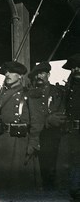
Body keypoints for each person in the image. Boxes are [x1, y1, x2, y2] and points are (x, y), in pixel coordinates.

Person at [0, 61, 40, 191]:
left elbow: (36, 122)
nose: (7, 74)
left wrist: (33, 143)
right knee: (2, 184)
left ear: (20, 76)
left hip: (20, 142)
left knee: (20, 184)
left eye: (11, 72)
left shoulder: (28, 94)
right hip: (3, 142)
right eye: (6, 72)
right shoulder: (1, 95)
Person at [27, 62, 66, 191]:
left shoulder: (57, 92)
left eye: (42, 73)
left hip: (52, 137)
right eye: (37, 74)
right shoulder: (30, 94)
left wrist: (49, 121)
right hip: (35, 136)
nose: (39, 76)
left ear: (48, 74)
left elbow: (60, 113)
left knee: (52, 171)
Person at [59, 54, 80, 200]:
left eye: (79, 66)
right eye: (73, 67)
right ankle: (75, 190)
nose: (76, 69)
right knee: (75, 160)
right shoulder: (70, 86)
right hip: (73, 131)